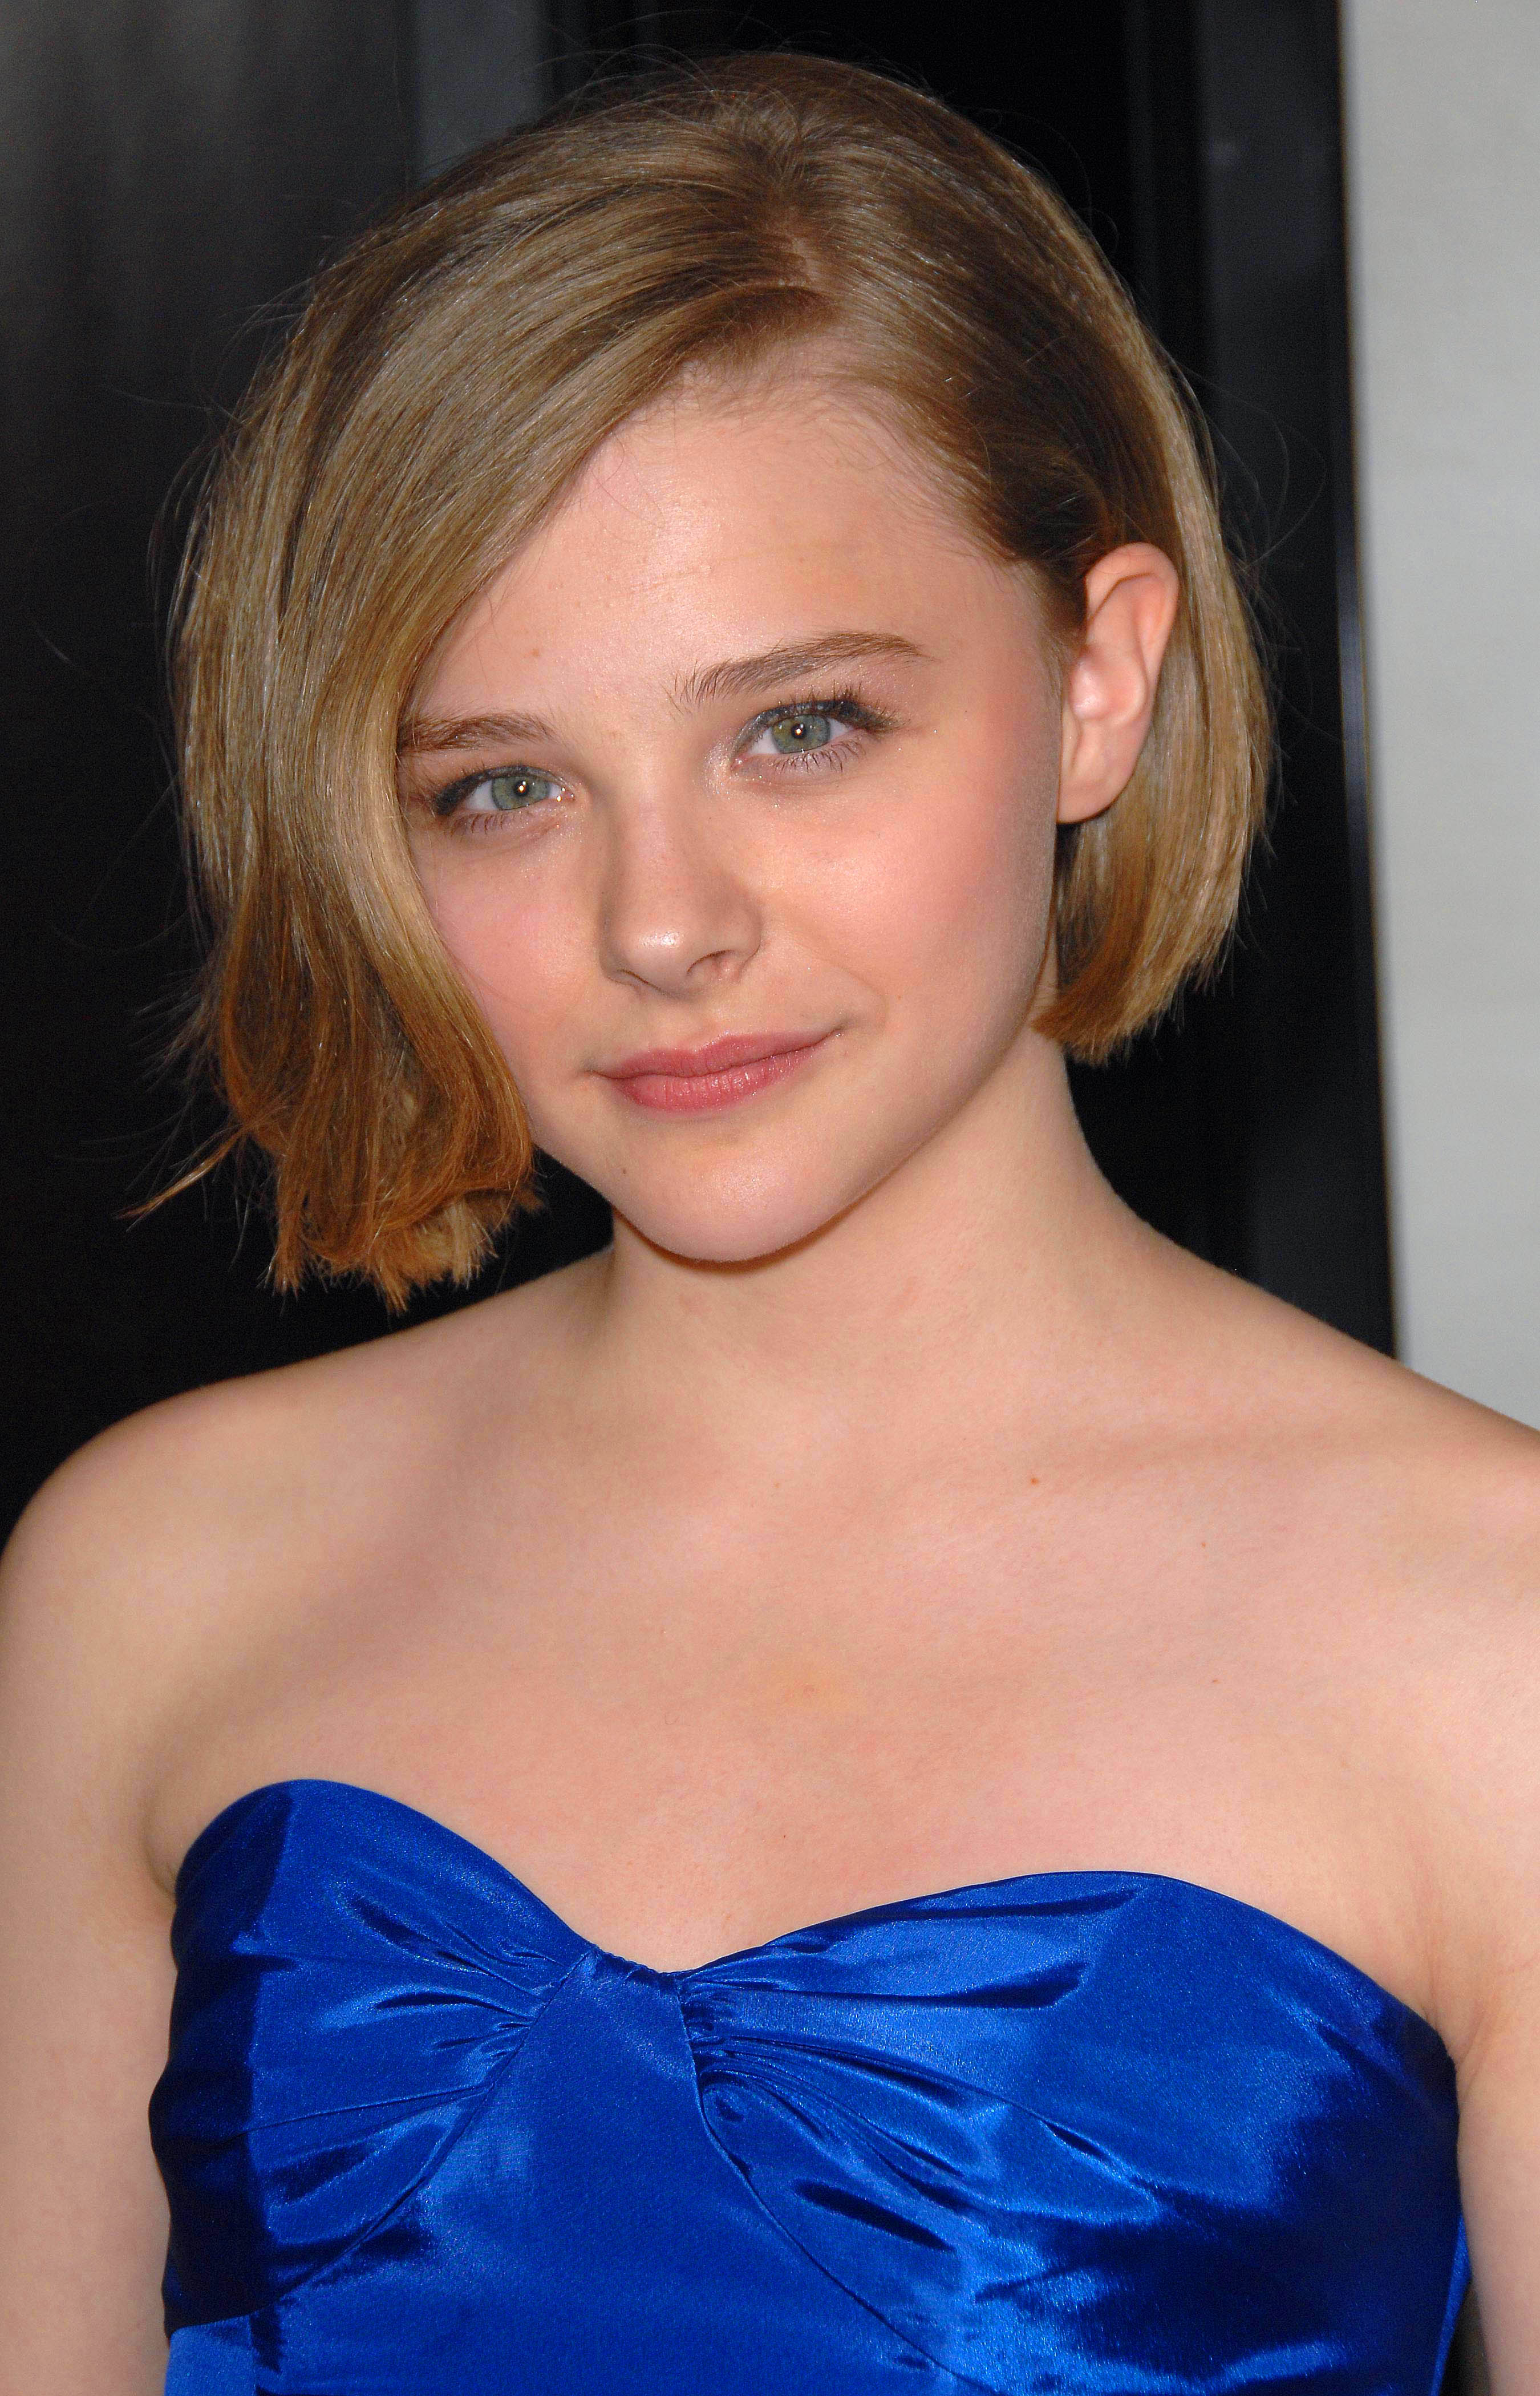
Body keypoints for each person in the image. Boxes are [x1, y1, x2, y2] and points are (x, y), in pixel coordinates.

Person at [0, 50, 1534, 2396]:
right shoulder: (156, 1579)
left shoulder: (1484, 1636)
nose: (661, 923)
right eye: (502, 787)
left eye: (799, 727)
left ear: (1098, 680)